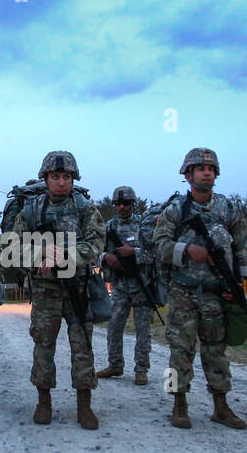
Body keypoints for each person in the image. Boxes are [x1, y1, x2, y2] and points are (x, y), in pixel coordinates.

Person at [152, 148, 247, 430]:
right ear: (188, 175)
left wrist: (239, 282)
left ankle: (221, 405)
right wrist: (187, 250)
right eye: (200, 168)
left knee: (216, 351)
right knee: (180, 350)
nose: (207, 172)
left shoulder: (227, 208)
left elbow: (241, 244)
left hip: (217, 292)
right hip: (183, 291)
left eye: (211, 168)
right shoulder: (174, 211)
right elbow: (159, 246)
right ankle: (179, 403)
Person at [13, 150, 102, 430]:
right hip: (45, 292)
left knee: (83, 348)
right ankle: (44, 401)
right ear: (46, 178)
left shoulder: (86, 208)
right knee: (43, 346)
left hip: (78, 289)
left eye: (66, 177)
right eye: (55, 177)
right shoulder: (30, 210)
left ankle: (84, 404)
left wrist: (63, 255)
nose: (61, 182)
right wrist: (40, 254)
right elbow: (12, 248)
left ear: (73, 179)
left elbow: (96, 244)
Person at [97, 185, 154, 385]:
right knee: (113, 326)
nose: (122, 207)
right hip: (119, 285)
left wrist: (134, 252)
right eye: (118, 203)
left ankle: (141, 369)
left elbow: (155, 253)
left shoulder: (143, 226)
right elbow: (94, 251)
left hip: (141, 284)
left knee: (143, 329)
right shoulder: (108, 227)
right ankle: (115, 365)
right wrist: (107, 257)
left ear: (133, 204)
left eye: (126, 203)